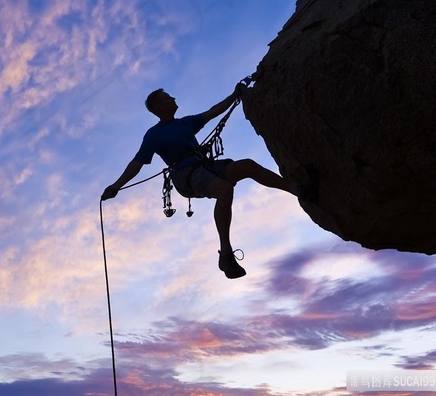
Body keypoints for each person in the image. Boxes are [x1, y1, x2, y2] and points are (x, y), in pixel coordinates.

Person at [101, 85, 308, 280]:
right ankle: (226, 252)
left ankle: (295, 188)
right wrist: (116, 186)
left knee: (247, 166)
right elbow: (137, 163)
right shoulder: (154, 135)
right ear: (158, 107)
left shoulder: (185, 123)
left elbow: (213, 111)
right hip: (185, 175)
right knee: (224, 189)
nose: (173, 98)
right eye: (167, 97)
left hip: (204, 166)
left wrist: (235, 94)